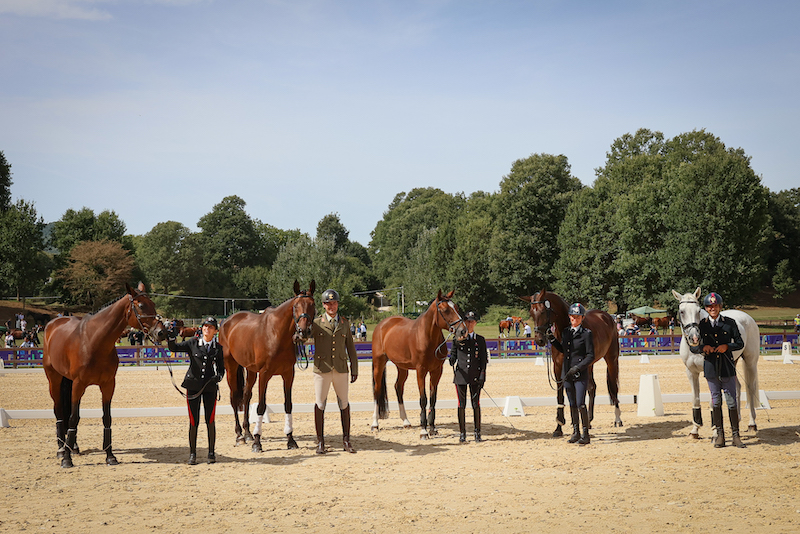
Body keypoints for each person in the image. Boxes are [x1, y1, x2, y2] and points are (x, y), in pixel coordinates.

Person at [689, 292, 746, 448]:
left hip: (727, 367)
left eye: (715, 305)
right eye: (709, 306)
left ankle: (736, 435)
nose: (712, 308)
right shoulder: (702, 325)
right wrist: (703, 347)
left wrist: (727, 346)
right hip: (711, 368)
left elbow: (740, 343)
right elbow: (693, 348)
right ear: (706, 308)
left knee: (732, 402)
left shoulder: (730, 323)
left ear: (720, 306)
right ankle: (720, 435)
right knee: (716, 401)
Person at [166, 316, 225, 464]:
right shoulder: (193, 343)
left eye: (210, 327)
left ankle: (211, 453)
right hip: (193, 387)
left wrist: (218, 376)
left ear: (215, 331)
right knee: (194, 421)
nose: (207, 328)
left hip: (210, 388)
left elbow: (222, 369)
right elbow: (174, 348)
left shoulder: (218, 348)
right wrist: (172, 337)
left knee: (210, 421)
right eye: (205, 326)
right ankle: (193, 454)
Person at [311, 289, 359, 454]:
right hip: (322, 369)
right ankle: (320, 442)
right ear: (323, 305)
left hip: (340, 368)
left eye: (334, 303)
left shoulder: (345, 323)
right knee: (320, 404)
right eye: (328, 303)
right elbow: (303, 336)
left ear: (337, 304)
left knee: (344, 404)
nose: (332, 306)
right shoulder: (316, 323)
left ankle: (346, 440)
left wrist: (354, 368)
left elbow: (351, 348)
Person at [547, 303, 594, 445]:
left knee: (580, 403)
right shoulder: (566, 332)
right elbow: (563, 350)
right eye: (573, 316)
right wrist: (553, 340)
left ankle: (586, 433)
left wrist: (578, 367)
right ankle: (576, 432)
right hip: (567, 373)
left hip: (579, 373)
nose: (575, 319)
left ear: (582, 318)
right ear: (569, 317)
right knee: (572, 403)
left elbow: (590, 356)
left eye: (578, 317)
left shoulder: (586, 334)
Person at [449, 311, 488, 443]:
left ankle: (477, 433)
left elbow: (483, 360)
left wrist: (482, 375)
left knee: (475, 404)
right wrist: (451, 357)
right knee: (461, 405)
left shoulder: (480, 340)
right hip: (461, 376)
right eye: (467, 321)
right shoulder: (457, 339)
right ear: (464, 323)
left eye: (472, 321)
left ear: (475, 323)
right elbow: (452, 358)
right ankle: (462, 433)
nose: (470, 323)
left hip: (475, 376)